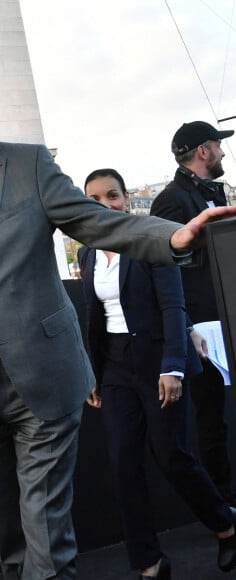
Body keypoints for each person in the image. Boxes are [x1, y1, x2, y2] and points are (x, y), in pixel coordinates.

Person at [0, 57, 236, 580]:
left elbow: (93, 222)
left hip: (44, 376)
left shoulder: (27, 165)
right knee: (9, 536)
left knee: (45, 528)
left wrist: (170, 237)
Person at [79, 168, 236, 579]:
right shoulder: (88, 252)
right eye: (94, 198)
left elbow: (173, 306)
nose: (105, 204)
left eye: (112, 195)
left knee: (173, 458)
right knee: (123, 463)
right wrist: (91, 372)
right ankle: (149, 562)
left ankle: (226, 525)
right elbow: (95, 319)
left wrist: (172, 367)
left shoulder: (149, 239)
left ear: (126, 198)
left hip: (157, 362)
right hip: (113, 366)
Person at [150, 121, 236, 508]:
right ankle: (224, 503)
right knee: (211, 418)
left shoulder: (214, 191)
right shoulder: (171, 199)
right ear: (203, 150)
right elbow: (163, 265)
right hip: (204, 324)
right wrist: (186, 326)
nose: (222, 153)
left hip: (228, 313)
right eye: (218, 146)